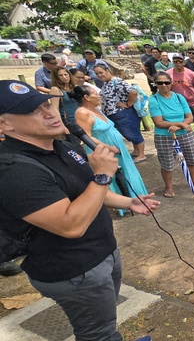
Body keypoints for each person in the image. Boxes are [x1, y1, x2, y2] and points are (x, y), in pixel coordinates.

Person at [0, 80, 159, 341]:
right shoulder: (15, 171)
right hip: (73, 269)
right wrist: (103, 175)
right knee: (97, 334)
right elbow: (70, 225)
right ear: (4, 124)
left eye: (45, 105)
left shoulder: (61, 147)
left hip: (101, 252)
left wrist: (128, 202)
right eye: (32, 111)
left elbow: (89, 192)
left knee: (106, 319)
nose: (49, 112)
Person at [72, 85, 148, 201]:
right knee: (116, 176)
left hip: (117, 148)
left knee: (127, 172)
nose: (99, 95)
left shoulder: (95, 109)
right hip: (104, 150)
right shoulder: (82, 113)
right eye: (95, 93)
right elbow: (87, 137)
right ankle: (123, 203)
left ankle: (136, 198)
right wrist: (109, 148)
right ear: (87, 97)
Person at [148, 72, 194, 197]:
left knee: (191, 158)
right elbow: (158, 122)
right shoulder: (154, 100)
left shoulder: (179, 97)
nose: (164, 85)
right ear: (156, 84)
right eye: (160, 83)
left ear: (171, 83)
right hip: (164, 136)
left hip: (185, 134)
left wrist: (179, 125)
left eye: (166, 82)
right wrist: (181, 124)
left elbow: (189, 116)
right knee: (167, 163)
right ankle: (169, 187)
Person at [94, 64, 146, 163]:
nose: (99, 75)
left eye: (101, 72)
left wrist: (128, 104)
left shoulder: (117, 81)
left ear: (108, 70)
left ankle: (141, 154)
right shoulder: (106, 83)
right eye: (97, 74)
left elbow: (133, 92)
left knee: (133, 133)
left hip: (123, 113)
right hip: (114, 114)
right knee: (129, 134)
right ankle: (136, 151)